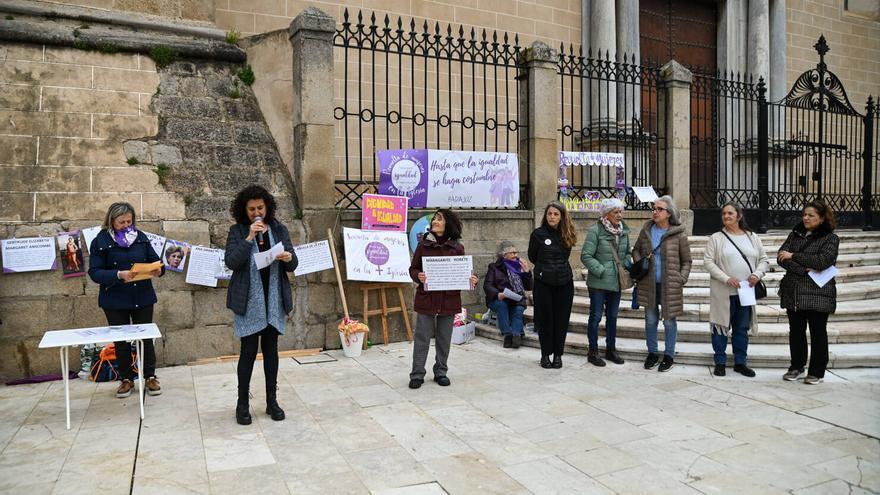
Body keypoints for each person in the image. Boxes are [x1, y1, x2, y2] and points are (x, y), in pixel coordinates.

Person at [225, 185, 298, 425]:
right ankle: (242, 404)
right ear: (243, 210)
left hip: (273, 298)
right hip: (249, 300)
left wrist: (288, 257)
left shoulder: (278, 228)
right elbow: (232, 262)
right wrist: (248, 238)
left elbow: (293, 263)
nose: (257, 213)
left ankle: (271, 401)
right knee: (248, 352)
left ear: (267, 207)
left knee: (271, 351)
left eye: (260, 208)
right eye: (251, 209)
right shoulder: (237, 231)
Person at [88, 202, 164, 398]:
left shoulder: (141, 237)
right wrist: (118, 274)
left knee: (146, 337)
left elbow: (155, 260)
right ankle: (126, 379)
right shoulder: (100, 241)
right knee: (121, 341)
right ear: (111, 221)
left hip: (143, 296)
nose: (126, 225)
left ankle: (150, 377)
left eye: (129, 221)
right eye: (121, 222)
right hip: (114, 298)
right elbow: (95, 272)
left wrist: (158, 269)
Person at [408, 209, 478, 389]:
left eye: (439, 219)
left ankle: (441, 371)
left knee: (444, 338)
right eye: (434, 219)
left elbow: (463, 272)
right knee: (422, 337)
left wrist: (471, 279)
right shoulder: (423, 245)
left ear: (448, 224)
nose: (435, 221)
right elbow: (413, 269)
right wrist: (419, 276)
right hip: (427, 299)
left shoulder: (457, 248)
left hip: (449, 300)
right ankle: (417, 374)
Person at [703, 202, 769, 377]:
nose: (726, 216)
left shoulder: (752, 237)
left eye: (730, 213)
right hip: (723, 291)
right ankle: (720, 362)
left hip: (746, 291)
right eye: (724, 213)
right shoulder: (716, 238)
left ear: (739, 216)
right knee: (720, 327)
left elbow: (764, 260)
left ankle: (740, 362)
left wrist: (756, 274)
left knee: (741, 328)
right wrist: (727, 278)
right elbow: (708, 262)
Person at [778, 199, 839, 385]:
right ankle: (796, 366)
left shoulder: (831, 239)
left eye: (811, 215)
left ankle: (817, 371)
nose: (806, 218)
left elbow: (823, 261)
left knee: (818, 332)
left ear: (821, 218)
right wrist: (804, 269)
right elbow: (781, 257)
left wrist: (794, 256)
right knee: (796, 331)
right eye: (804, 214)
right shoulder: (795, 234)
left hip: (818, 293)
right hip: (793, 291)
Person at [632, 195, 692, 372]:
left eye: (659, 209)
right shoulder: (646, 231)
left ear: (668, 213)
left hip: (670, 286)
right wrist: (640, 262)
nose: (655, 212)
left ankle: (669, 355)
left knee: (669, 322)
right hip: (648, 284)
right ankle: (652, 353)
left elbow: (687, 261)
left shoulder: (678, 233)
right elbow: (635, 250)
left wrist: (681, 278)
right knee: (650, 320)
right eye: (654, 208)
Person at [580, 198, 631, 366]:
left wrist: (627, 264)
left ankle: (611, 350)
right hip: (598, 283)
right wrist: (601, 270)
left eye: (620, 212)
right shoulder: (595, 231)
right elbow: (586, 255)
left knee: (613, 317)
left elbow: (627, 253)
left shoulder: (623, 231)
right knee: (595, 317)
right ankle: (593, 351)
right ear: (606, 214)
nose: (619, 215)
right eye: (615, 212)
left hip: (616, 282)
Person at [528, 201, 577, 369]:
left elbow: (566, 256)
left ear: (562, 217)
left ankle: (558, 355)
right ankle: (545, 354)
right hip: (543, 283)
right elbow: (532, 257)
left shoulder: (567, 234)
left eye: (556, 214)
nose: (552, 217)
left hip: (564, 282)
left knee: (561, 320)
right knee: (545, 319)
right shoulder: (537, 234)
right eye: (549, 214)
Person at [484, 241, 532, 349]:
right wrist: (497, 294)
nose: (516, 255)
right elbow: (487, 285)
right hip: (499, 298)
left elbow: (529, 287)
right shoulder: (494, 267)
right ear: (504, 255)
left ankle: (516, 335)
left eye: (516, 252)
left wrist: (527, 272)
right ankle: (507, 334)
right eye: (512, 253)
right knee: (502, 305)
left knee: (518, 311)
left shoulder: (519, 266)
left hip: (517, 298)